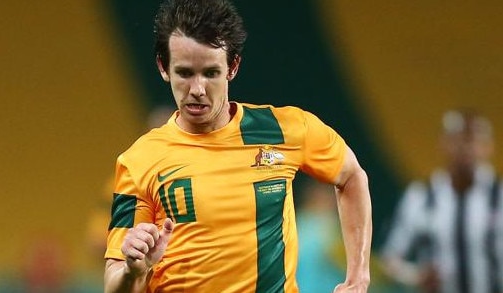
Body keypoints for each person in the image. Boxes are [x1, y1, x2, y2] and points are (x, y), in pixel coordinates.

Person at [103, 0, 372, 292]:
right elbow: (114, 284)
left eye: (210, 73)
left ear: (232, 67)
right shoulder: (139, 161)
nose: (197, 89)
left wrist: (358, 276)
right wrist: (133, 271)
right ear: (163, 68)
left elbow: (351, 176)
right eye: (184, 73)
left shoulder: (285, 129)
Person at [381, 109, 503, 293]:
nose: (465, 148)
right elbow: (389, 259)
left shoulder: (499, 196)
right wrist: (415, 276)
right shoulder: (421, 195)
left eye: (473, 140)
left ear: (488, 146)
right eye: (458, 140)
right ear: (443, 143)